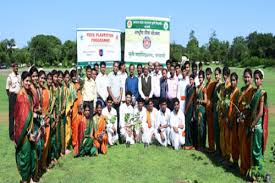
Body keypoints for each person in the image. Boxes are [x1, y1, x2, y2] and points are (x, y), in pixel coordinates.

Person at [14, 71, 37, 183]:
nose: (28, 83)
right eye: (26, 81)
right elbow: (22, 119)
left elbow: (32, 110)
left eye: (29, 81)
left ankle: (31, 179)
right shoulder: (21, 96)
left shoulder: (28, 94)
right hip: (24, 132)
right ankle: (24, 180)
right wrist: (28, 134)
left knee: (32, 154)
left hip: (30, 129)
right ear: (22, 81)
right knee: (25, 157)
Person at [250, 69, 268, 177]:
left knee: (257, 152)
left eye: (258, 79)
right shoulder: (254, 92)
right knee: (253, 151)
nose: (256, 81)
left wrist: (252, 124)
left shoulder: (261, 93)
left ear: (261, 80)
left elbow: (260, 112)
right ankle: (254, 174)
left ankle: (259, 175)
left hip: (257, 126)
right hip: (252, 125)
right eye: (255, 78)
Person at [238, 68, 255, 175]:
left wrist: (245, 115)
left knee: (247, 146)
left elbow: (252, 108)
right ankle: (243, 167)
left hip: (248, 122)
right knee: (241, 145)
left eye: (248, 77)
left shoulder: (252, 91)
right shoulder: (242, 89)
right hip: (240, 122)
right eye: (245, 77)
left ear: (252, 78)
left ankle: (248, 168)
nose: (246, 79)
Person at [226, 72, 240, 167]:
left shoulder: (238, 92)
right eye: (231, 80)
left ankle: (235, 162)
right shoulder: (230, 91)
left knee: (235, 141)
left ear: (237, 81)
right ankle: (228, 157)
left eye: (234, 80)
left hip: (234, 121)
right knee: (228, 139)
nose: (233, 82)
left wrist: (231, 120)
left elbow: (235, 108)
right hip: (229, 118)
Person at [107, 61, 123, 136]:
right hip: (112, 100)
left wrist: (120, 98)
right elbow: (108, 88)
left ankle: (118, 134)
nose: (116, 68)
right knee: (112, 117)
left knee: (118, 117)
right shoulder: (110, 75)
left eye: (117, 67)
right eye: (115, 66)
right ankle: (112, 133)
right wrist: (113, 98)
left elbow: (121, 88)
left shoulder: (120, 75)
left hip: (118, 100)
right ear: (113, 67)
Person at [6, 62, 21, 140]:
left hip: (18, 96)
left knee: (18, 115)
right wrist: (10, 97)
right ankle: (11, 134)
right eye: (15, 67)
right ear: (12, 67)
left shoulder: (19, 76)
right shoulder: (10, 77)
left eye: (17, 66)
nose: (17, 68)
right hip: (12, 96)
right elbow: (7, 89)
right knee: (11, 116)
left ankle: (18, 132)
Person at [204, 68, 217, 153]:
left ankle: (212, 147)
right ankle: (210, 146)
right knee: (209, 128)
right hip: (207, 108)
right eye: (207, 74)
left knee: (212, 129)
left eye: (209, 74)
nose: (208, 76)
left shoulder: (213, 83)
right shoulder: (207, 84)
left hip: (211, 108)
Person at [195, 70, 207, 150]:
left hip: (202, 109)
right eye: (199, 77)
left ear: (203, 78)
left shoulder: (204, 88)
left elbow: (205, 101)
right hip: (197, 109)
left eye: (201, 77)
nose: (200, 79)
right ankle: (199, 144)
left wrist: (199, 101)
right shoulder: (198, 87)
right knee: (198, 127)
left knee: (202, 127)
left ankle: (202, 145)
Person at [184, 74, 196, 150]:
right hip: (187, 108)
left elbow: (194, 101)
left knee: (190, 125)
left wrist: (193, 112)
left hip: (191, 108)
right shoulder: (188, 87)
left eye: (192, 79)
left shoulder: (194, 89)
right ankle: (187, 142)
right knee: (187, 125)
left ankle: (191, 143)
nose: (190, 80)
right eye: (190, 79)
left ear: (194, 80)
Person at [212, 67, 222, 155]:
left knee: (219, 131)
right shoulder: (215, 84)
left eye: (217, 74)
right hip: (214, 110)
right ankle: (217, 149)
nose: (216, 76)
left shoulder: (221, 85)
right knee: (215, 130)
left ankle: (220, 151)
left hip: (219, 111)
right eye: (215, 74)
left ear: (221, 75)